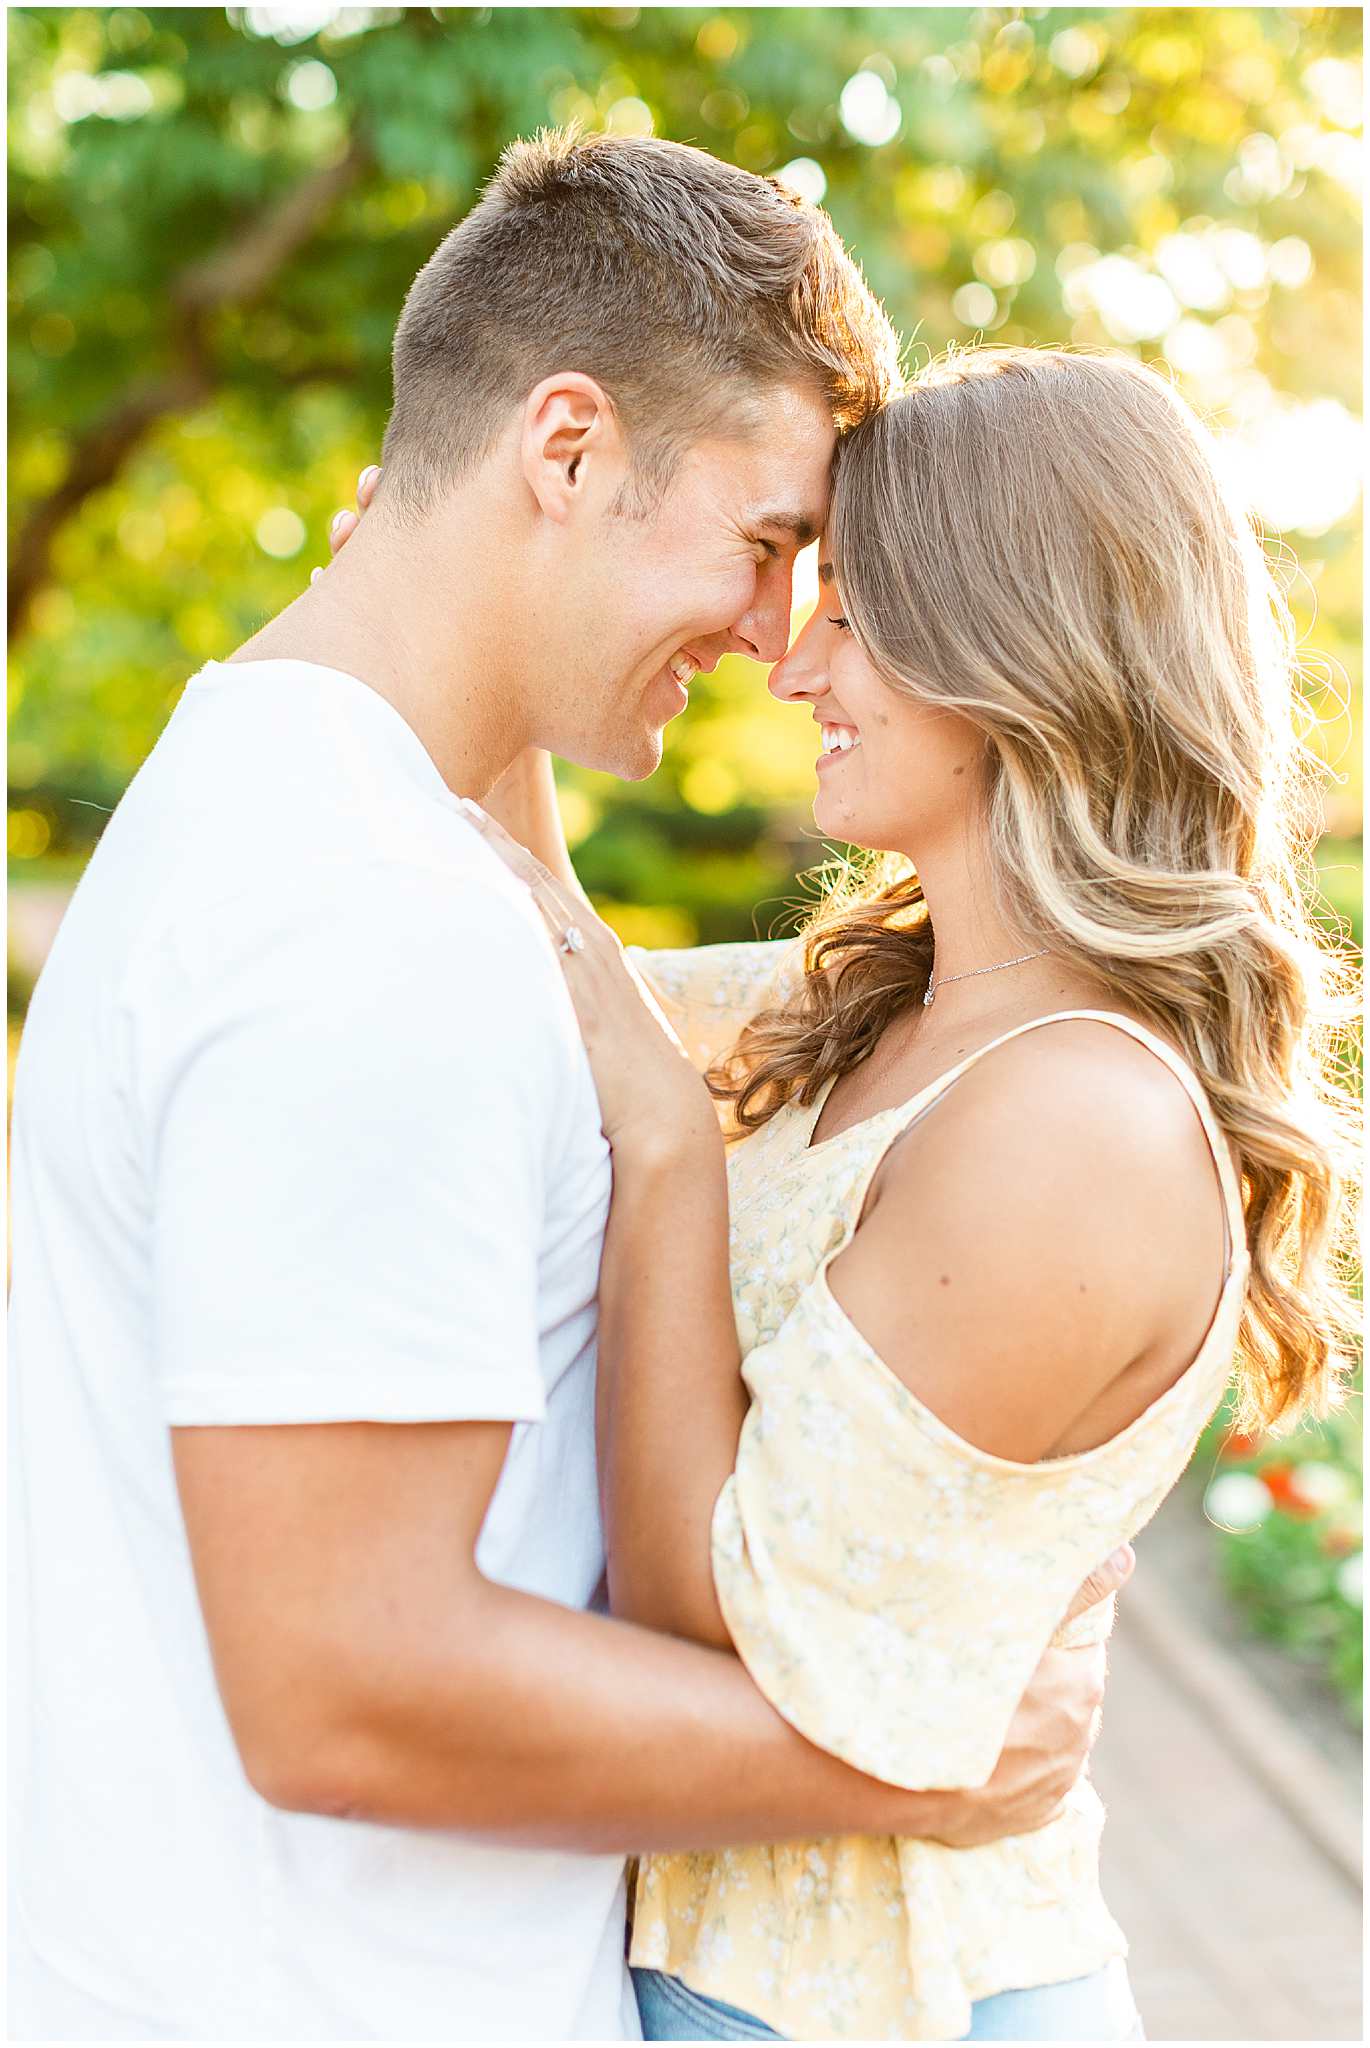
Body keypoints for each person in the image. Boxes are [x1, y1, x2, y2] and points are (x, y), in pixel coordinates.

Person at [7, 135, 1129, 2044]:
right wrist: (909, 1768)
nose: (780, 636)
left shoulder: (301, 801)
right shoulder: (361, 934)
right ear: (565, 449)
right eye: (766, 544)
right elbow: (348, 1683)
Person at [454, 347, 1359, 2040]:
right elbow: (558, 974)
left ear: (1016, 649)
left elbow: (703, 1626)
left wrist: (664, 1154)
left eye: (855, 615)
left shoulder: (1072, 1121)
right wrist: (480, 637)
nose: (794, 667)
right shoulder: (898, 1008)